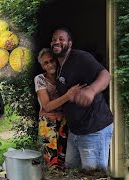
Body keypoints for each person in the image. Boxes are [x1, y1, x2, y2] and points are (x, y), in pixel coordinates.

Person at [50, 28, 113, 171]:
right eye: (54, 39)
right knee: (72, 170)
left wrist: (91, 90)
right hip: (75, 131)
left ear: (70, 43)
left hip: (94, 129)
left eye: (61, 39)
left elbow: (105, 75)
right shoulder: (59, 65)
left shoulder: (81, 58)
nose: (57, 42)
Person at [35, 48, 83, 169]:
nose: (50, 64)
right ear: (42, 66)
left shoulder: (63, 76)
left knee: (64, 160)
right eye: (46, 63)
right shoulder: (40, 79)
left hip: (64, 122)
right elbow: (47, 106)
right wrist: (68, 95)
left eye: (52, 61)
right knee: (49, 161)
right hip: (47, 124)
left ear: (56, 61)